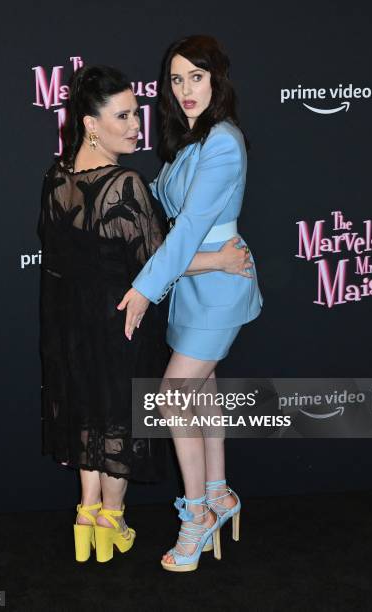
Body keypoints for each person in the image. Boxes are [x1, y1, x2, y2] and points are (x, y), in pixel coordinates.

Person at [38, 64, 252, 564]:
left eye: (138, 113)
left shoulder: (56, 176)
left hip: (71, 321)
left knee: (87, 413)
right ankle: (122, 519)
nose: (138, 125)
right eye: (125, 116)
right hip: (121, 319)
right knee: (118, 419)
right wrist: (220, 259)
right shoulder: (125, 184)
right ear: (92, 124)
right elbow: (158, 257)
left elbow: (62, 253)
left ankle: (88, 516)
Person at [117, 35, 263, 571]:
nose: (185, 89)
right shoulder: (192, 142)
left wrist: (142, 289)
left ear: (217, 79)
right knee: (201, 395)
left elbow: (192, 227)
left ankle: (197, 515)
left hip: (220, 286)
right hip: (196, 281)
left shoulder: (223, 141)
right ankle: (221, 495)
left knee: (173, 396)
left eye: (195, 77)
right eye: (176, 80)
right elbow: (161, 207)